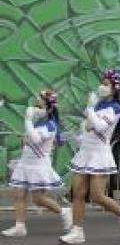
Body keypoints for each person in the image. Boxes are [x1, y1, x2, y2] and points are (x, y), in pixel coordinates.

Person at [60, 69, 120, 244]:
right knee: (77, 193)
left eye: (106, 84)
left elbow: (100, 127)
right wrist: (76, 135)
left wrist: (90, 111)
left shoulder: (115, 108)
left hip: (99, 154)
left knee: (97, 196)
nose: (102, 86)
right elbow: (87, 127)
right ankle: (77, 231)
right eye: (102, 83)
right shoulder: (97, 106)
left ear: (115, 88)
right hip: (85, 152)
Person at [2, 89, 72, 237]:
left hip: (38, 166)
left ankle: (64, 212)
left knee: (38, 199)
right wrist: (25, 139)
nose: (36, 106)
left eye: (39, 104)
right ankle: (20, 227)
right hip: (26, 162)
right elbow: (28, 140)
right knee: (18, 194)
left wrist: (27, 120)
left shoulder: (50, 124)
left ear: (48, 107)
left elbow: (34, 139)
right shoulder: (39, 122)